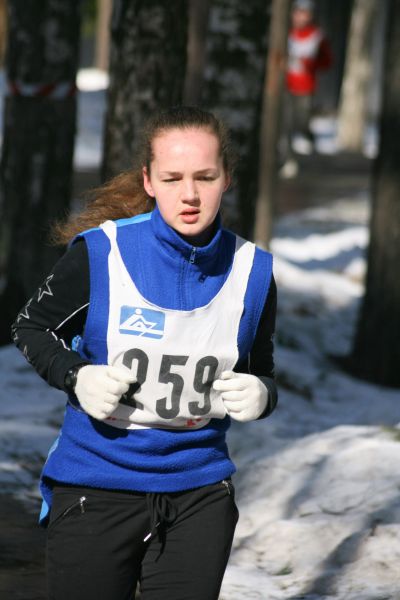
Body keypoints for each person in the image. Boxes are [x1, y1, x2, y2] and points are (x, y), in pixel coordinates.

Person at [12, 106, 277, 600]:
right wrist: (76, 375)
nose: (190, 194)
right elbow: (31, 327)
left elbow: (260, 369)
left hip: (198, 492)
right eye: (172, 178)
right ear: (149, 181)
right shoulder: (101, 253)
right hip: (96, 484)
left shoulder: (253, 271)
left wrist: (263, 393)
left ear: (227, 178)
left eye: (205, 177)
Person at [280, 0, 333, 178]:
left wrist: (309, 64)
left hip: (305, 88)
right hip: (286, 87)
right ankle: (288, 160)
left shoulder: (317, 36)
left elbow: (327, 62)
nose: (300, 17)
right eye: (297, 12)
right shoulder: (284, 33)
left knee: (301, 123)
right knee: (286, 124)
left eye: (304, 13)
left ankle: (313, 150)